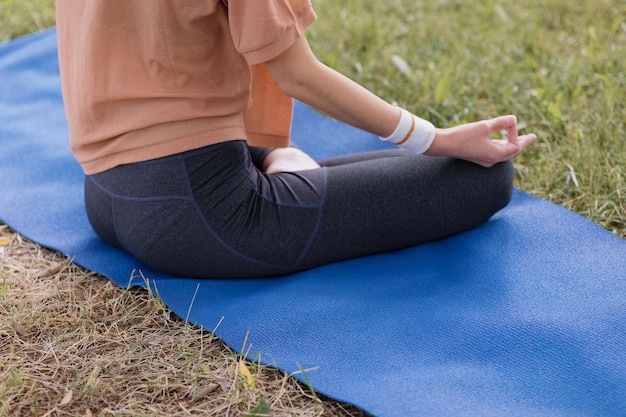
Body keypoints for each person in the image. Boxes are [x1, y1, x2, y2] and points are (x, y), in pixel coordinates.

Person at [55, 1, 535, 279]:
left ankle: (272, 162)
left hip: (104, 197)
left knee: (287, 160)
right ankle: (271, 172)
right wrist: (439, 139)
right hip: (204, 218)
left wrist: (267, 153)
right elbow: (299, 76)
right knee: (484, 176)